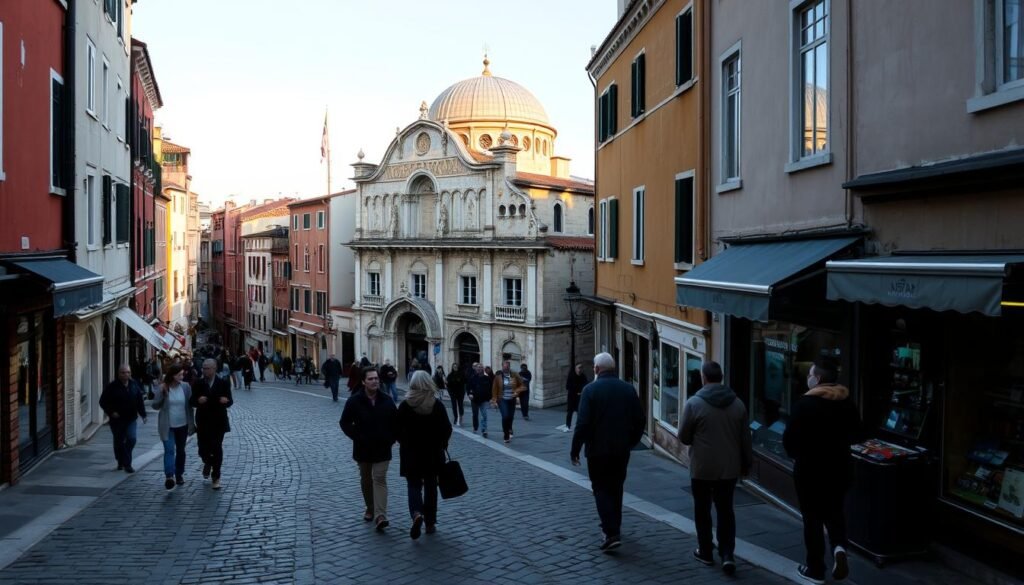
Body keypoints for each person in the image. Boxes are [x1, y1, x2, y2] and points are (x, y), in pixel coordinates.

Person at [783, 356, 862, 584]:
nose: (808, 378)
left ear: (817, 378)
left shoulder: (804, 404)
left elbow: (789, 443)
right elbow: (857, 434)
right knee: (835, 512)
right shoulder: (847, 403)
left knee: (813, 519)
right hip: (840, 468)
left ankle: (815, 569)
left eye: (810, 375)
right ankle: (839, 547)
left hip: (810, 471)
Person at [677, 361, 752, 575]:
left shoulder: (694, 404)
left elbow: (683, 436)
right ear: (721, 377)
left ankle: (706, 551)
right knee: (726, 511)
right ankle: (727, 554)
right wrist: (746, 464)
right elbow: (745, 439)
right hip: (728, 469)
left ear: (704, 378)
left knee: (702, 510)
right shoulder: (738, 404)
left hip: (702, 468)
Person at [570, 352, 645, 552]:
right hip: (621, 449)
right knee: (616, 487)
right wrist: (631, 442)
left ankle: (610, 532)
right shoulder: (628, 389)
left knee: (601, 488)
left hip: (597, 450)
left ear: (596, 369)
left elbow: (582, 423)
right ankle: (615, 527)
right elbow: (640, 420)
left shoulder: (590, 390)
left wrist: (575, 449)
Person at [396, 370, 453, 540]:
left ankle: (416, 513)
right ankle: (430, 522)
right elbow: (447, 429)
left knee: (413, 485)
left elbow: (397, 430)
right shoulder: (436, 405)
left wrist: (405, 443)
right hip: (433, 454)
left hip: (411, 454)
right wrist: (442, 444)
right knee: (430, 487)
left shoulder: (405, 405)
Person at [340, 366, 398, 532]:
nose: (374, 381)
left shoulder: (387, 400)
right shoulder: (354, 401)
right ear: (364, 381)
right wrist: (357, 436)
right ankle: (370, 507)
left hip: (382, 448)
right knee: (366, 480)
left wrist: (391, 439)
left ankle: (381, 515)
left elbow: (396, 423)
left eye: (376, 378)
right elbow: (344, 423)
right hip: (363, 448)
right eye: (371, 379)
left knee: (379, 478)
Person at [190, 358, 233, 490]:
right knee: (203, 449)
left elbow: (230, 401)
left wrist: (226, 401)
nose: (204, 371)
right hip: (203, 421)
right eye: (203, 368)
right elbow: (191, 401)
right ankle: (207, 462)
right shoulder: (198, 383)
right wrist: (198, 401)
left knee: (217, 448)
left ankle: (216, 476)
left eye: (207, 368)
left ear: (214, 369)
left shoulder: (223, 383)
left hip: (219, 421)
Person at [152, 365, 195, 490]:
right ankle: (169, 476)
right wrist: (162, 395)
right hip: (168, 425)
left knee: (181, 451)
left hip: (183, 424)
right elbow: (155, 405)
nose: (181, 377)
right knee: (169, 450)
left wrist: (192, 424)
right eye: (179, 375)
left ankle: (179, 474)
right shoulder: (163, 387)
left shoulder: (186, 387)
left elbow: (190, 406)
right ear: (172, 375)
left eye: (182, 374)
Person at [99, 364, 148, 473]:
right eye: (123, 372)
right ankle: (123, 462)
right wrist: (111, 412)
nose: (126, 374)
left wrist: (143, 415)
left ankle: (125, 462)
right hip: (117, 420)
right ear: (119, 373)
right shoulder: (112, 387)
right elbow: (103, 401)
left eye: (128, 372)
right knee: (119, 442)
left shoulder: (134, 385)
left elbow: (139, 401)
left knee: (132, 439)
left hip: (131, 418)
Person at [491, 360, 526, 444]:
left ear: (509, 367)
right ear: (502, 366)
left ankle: (510, 428)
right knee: (505, 416)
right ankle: (506, 434)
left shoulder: (514, 375)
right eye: (504, 367)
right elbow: (494, 389)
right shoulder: (498, 376)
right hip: (502, 399)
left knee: (510, 417)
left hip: (512, 399)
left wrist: (516, 391)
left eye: (507, 367)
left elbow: (522, 386)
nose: (506, 368)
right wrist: (494, 401)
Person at [467, 363, 491, 437]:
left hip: (484, 400)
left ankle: (484, 430)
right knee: (475, 414)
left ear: (483, 369)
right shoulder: (472, 378)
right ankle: (475, 427)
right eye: (478, 368)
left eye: (481, 368)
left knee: (484, 415)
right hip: (474, 399)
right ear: (476, 369)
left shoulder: (487, 378)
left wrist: (490, 398)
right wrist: (470, 394)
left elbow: (490, 388)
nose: (479, 369)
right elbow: (468, 387)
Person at [565, 363, 587, 431]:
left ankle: (578, 425)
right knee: (570, 412)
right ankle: (567, 426)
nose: (580, 369)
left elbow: (585, 385)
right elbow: (567, 386)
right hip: (572, 397)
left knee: (579, 412)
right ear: (575, 369)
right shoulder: (571, 376)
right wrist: (577, 389)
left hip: (579, 397)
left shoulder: (583, 376)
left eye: (581, 368)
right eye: (579, 367)